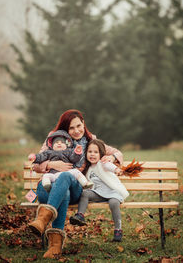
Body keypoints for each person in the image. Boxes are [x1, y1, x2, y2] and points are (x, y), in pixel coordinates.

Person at [29, 109, 123, 259]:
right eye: (71, 128)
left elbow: (118, 152)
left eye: (78, 125)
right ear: (65, 130)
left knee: (66, 177)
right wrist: (52, 164)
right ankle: (55, 246)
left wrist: (112, 157)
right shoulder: (54, 139)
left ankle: (43, 219)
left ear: (83, 123)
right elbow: (35, 165)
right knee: (63, 190)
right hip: (47, 186)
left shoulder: (91, 140)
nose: (76, 130)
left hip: (75, 188)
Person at [70, 139, 129, 242]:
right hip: (98, 193)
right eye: (90, 152)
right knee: (85, 194)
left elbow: (111, 167)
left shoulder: (103, 163)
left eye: (95, 152)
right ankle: (80, 216)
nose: (92, 154)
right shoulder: (88, 169)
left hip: (111, 192)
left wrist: (117, 170)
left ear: (101, 154)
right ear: (86, 153)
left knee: (114, 203)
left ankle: (118, 229)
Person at [28, 130, 93, 191]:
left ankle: (85, 183)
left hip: (67, 174)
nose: (59, 144)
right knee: (46, 176)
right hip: (53, 175)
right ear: (52, 145)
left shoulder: (68, 151)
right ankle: (47, 185)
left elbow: (74, 158)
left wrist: (77, 153)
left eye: (62, 142)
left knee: (76, 171)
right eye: (56, 142)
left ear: (67, 145)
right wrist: (34, 157)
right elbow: (41, 157)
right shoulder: (48, 152)